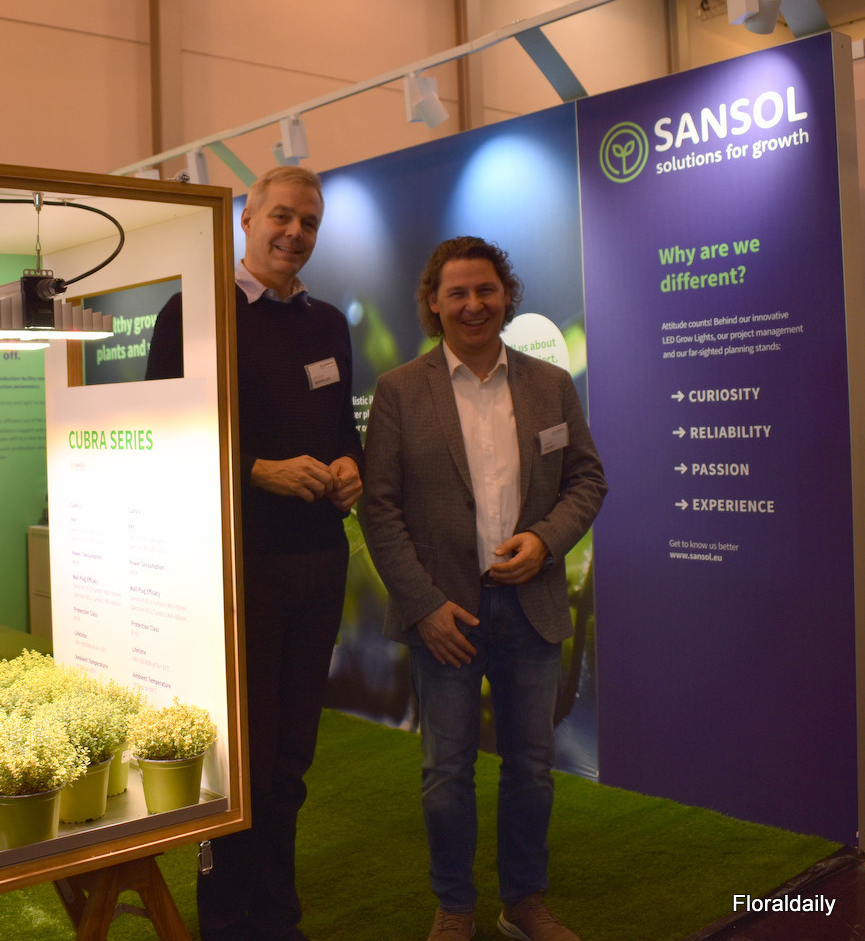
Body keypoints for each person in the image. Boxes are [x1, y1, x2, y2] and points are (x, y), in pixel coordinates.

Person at [359, 237, 606, 941]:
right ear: (433, 303)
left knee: (532, 770)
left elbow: (587, 479)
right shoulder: (400, 390)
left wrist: (545, 540)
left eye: (486, 290)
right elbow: (380, 509)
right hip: (445, 617)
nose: (474, 304)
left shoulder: (549, 384)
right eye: (458, 293)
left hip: (531, 610)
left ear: (508, 296)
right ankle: (456, 907)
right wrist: (423, 606)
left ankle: (523, 903)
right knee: (446, 774)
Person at [157, 165, 361, 941]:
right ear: (246, 218)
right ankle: (227, 922)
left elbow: (344, 431)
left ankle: (278, 917)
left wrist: (351, 466)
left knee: (291, 761)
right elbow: (162, 436)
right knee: (242, 761)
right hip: (238, 568)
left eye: (309, 223)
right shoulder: (194, 311)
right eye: (281, 216)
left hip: (318, 563)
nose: (294, 233)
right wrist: (254, 471)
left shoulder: (327, 322)